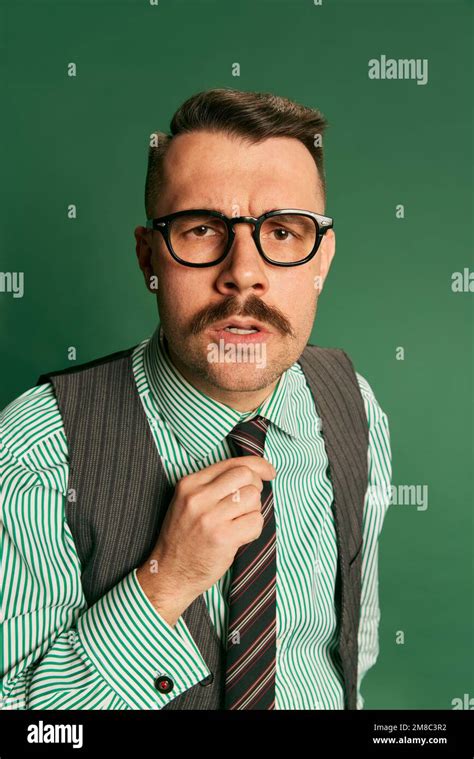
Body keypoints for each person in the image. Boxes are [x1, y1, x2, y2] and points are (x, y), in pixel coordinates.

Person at [1, 88, 391, 710]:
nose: (243, 272)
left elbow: (351, 641)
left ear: (323, 260)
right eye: (203, 228)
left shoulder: (356, 407)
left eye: (284, 232)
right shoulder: (36, 450)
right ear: (148, 257)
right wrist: (165, 582)